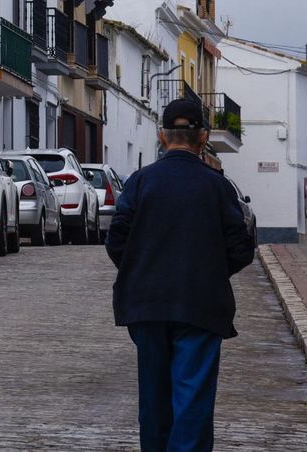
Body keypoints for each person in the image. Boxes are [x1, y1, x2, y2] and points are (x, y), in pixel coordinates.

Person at [106, 98, 256, 452]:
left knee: (154, 402)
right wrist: (209, 270)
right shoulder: (219, 187)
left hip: (147, 305)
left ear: (162, 137)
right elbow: (241, 249)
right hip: (201, 306)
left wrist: (142, 268)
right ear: (203, 137)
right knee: (192, 403)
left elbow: (116, 241)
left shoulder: (140, 183)